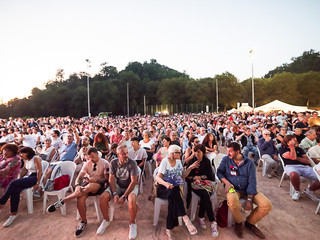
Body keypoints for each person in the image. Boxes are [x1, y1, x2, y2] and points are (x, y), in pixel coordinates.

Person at [46, 147, 109, 237]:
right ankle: (83, 221)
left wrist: (96, 180)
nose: (91, 159)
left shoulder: (105, 163)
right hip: (86, 185)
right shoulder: (87, 163)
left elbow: (107, 179)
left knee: (90, 186)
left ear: (97, 154)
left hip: (98, 185)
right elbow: (80, 176)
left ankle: (64, 200)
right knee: (80, 197)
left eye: (92, 157)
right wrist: (77, 186)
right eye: (89, 157)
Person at [217, 142, 272, 239]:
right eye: (227, 151)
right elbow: (219, 172)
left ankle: (250, 222)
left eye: (230, 151)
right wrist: (226, 182)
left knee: (266, 205)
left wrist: (250, 200)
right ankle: (238, 222)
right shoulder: (226, 160)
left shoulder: (249, 163)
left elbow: (252, 181)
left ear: (238, 152)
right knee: (232, 201)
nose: (228, 153)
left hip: (248, 190)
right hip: (233, 189)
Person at [155, 145, 199, 240]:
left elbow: (182, 175)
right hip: (163, 188)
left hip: (173, 188)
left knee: (173, 198)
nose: (180, 154)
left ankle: (169, 229)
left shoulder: (178, 161)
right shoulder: (165, 162)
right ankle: (185, 218)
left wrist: (190, 168)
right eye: (178, 152)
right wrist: (166, 184)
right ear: (172, 153)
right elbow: (157, 177)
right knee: (174, 191)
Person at [96, 145, 139, 239]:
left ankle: (132, 223)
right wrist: (115, 193)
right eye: (123, 153)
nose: (126, 155)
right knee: (103, 197)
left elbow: (134, 182)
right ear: (118, 154)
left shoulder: (132, 163)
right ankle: (106, 220)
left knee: (131, 200)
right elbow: (111, 178)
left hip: (130, 186)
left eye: (127, 153)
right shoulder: (113, 162)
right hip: (118, 185)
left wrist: (124, 196)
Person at [0, 147, 42, 227]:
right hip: (29, 176)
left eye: (22, 153)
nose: (20, 155)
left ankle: (1, 202)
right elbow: (24, 170)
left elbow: (39, 171)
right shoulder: (26, 160)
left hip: (35, 177)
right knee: (15, 190)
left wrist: (37, 182)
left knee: (13, 183)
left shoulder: (36, 158)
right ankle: (13, 213)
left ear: (27, 152)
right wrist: (19, 179)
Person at [186, 144, 219, 237]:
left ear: (203, 153)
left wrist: (200, 177)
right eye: (195, 152)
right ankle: (213, 221)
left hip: (205, 184)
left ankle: (201, 217)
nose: (196, 154)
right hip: (194, 185)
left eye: (199, 152)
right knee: (205, 194)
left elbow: (210, 175)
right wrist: (193, 177)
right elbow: (186, 177)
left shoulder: (206, 161)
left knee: (205, 194)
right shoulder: (191, 161)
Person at [278, 135, 320, 201]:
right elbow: (293, 157)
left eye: (295, 140)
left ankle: (309, 191)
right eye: (292, 140)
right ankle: (297, 191)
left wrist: (296, 158)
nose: (294, 141)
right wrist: (291, 147)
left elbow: (307, 161)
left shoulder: (299, 149)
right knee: (293, 174)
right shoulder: (282, 148)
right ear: (287, 141)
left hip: (304, 167)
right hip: (290, 166)